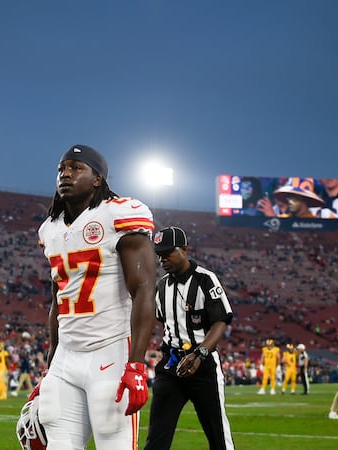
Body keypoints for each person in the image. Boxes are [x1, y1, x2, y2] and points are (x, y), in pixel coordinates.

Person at [35, 144, 157, 449]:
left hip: (110, 351)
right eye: (62, 168)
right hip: (66, 357)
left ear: (97, 179)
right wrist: (51, 363)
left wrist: (137, 365)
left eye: (76, 168)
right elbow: (57, 300)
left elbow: (143, 289)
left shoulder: (119, 214)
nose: (66, 174)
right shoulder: (49, 229)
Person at [144, 226, 234, 450]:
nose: (163, 258)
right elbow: (162, 319)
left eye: (168, 252)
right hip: (171, 365)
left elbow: (220, 320)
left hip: (202, 366)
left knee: (218, 436)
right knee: (156, 438)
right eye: (159, 254)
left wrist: (200, 352)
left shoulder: (205, 279)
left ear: (184, 250)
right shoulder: (162, 285)